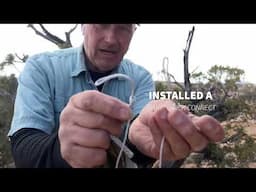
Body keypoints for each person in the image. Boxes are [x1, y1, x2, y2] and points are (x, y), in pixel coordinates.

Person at [8, 24, 224, 168]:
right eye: (101, 24)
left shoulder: (140, 77)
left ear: (133, 31)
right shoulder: (42, 68)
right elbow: (23, 148)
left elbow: (140, 134)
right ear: (83, 26)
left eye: (123, 27)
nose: (111, 39)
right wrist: (61, 150)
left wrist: (156, 135)